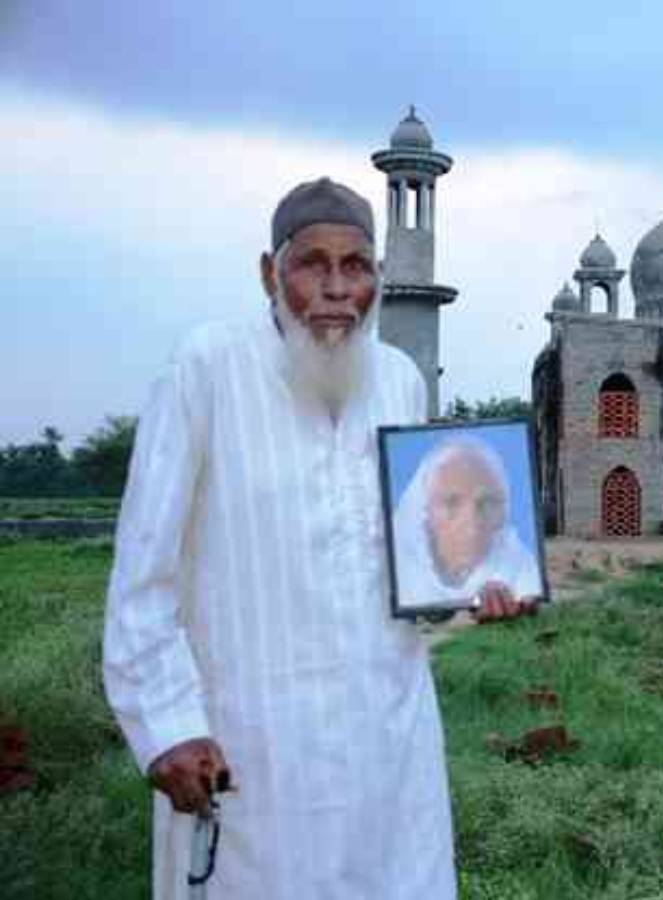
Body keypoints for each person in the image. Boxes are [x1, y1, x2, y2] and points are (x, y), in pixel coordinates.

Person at [102, 177, 530, 900]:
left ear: (378, 281)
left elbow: (396, 566)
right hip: (252, 741)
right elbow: (144, 576)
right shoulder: (205, 370)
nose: (336, 288)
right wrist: (169, 727)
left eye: (356, 267)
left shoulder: (397, 380)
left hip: (384, 736)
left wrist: (466, 594)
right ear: (271, 273)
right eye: (312, 264)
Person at [392, 437, 544, 611]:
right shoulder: (403, 567)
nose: (471, 523)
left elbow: (528, 600)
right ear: (425, 512)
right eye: (451, 503)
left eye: (486, 503)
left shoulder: (518, 562)